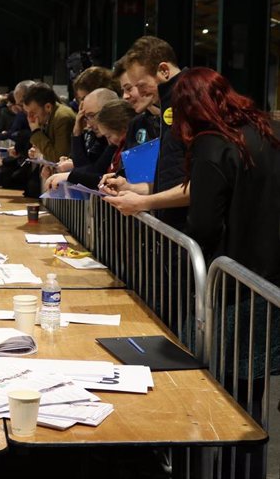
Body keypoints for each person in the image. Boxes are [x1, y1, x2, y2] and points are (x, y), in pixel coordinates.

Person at [172, 66, 280, 479]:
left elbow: (202, 223)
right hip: (268, 279)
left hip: (230, 283)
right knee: (251, 399)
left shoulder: (211, 144)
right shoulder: (266, 132)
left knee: (212, 391)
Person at [102, 36, 188, 229]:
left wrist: (143, 202)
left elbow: (202, 186)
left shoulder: (190, 102)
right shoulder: (168, 110)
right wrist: (131, 188)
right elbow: (169, 180)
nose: (127, 96)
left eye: (138, 86)